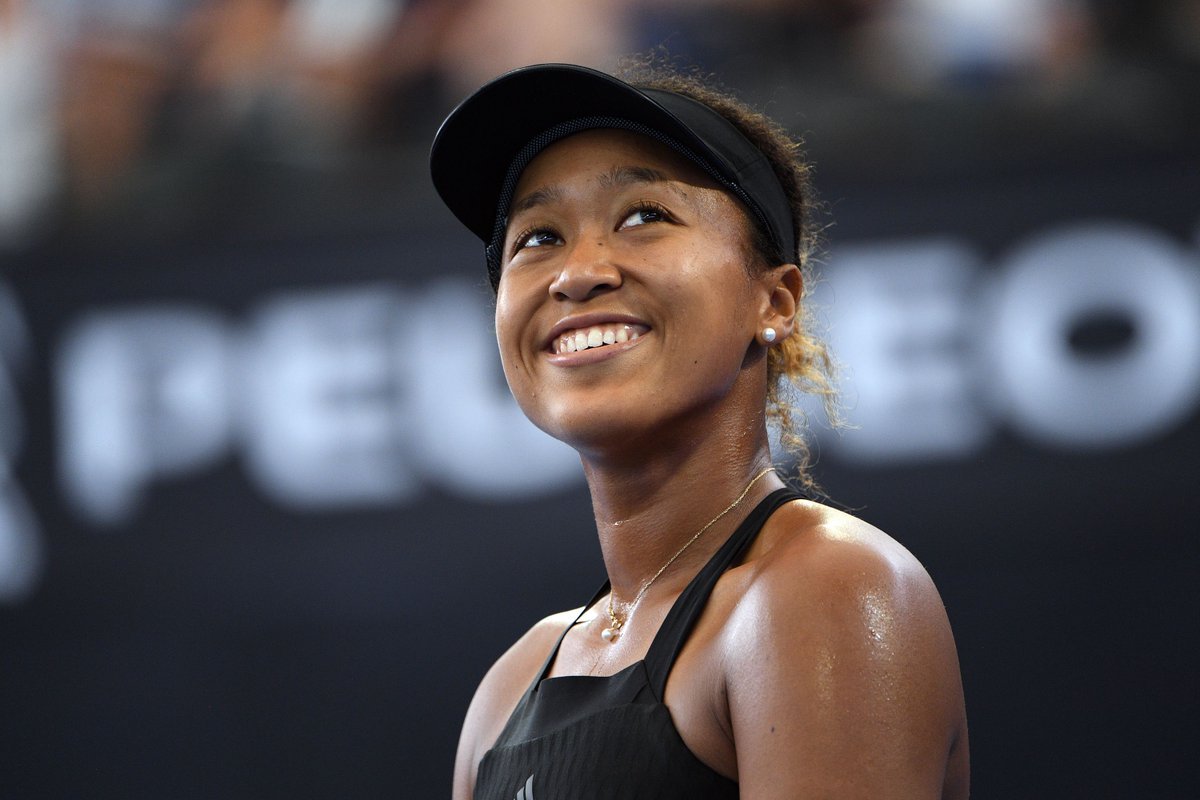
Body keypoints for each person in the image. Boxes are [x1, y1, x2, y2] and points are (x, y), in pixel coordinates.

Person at [430, 62, 969, 799]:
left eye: (643, 216)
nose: (577, 273)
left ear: (774, 301)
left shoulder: (826, 588)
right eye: (539, 236)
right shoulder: (510, 689)